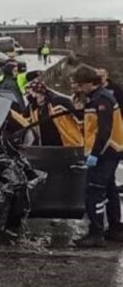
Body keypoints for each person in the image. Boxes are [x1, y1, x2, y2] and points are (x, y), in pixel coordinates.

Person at [73, 66, 123, 246]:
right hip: (110, 150)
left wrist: (94, 154)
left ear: (88, 83)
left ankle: (96, 233)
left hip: (105, 152)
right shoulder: (96, 98)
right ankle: (116, 228)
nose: (78, 89)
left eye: (79, 85)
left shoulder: (101, 100)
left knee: (94, 191)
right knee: (109, 190)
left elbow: (104, 131)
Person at [23, 80, 83, 147]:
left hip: (66, 143)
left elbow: (78, 117)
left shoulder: (57, 102)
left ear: (37, 93)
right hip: (46, 146)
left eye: (30, 94)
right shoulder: (34, 108)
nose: (29, 97)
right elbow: (25, 118)